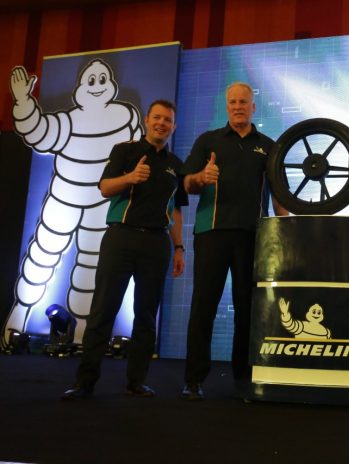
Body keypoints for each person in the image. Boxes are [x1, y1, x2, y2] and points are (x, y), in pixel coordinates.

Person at [62, 99, 187, 399]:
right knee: (103, 310)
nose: (162, 123)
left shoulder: (176, 164)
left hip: (156, 243)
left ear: (174, 126)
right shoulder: (125, 151)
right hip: (121, 238)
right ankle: (84, 383)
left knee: (146, 316)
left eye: (168, 120)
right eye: (157, 118)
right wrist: (130, 178)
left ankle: (136, 382)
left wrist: (179, 247)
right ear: (147, 120)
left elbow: (176, 209)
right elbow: (105, 188)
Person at [181, 82, 287, 400]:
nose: (238, 107)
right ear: (227, 106)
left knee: (248, 310)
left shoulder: (268, 146)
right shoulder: (207, 141)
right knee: (203, 307)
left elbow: (279, 196)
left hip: (254, 237)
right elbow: (187, 184)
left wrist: (287, 233)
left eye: (243, 102)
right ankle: (193, 380)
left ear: (253, 107)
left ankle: (244, 380)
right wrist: (201, 177)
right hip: (211, 234)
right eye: (232, 102)